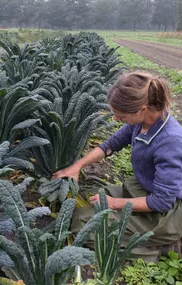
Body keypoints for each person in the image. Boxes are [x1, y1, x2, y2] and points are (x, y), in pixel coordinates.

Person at [52, 71, 182, 261]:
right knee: (88, 199)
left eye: (120, 116)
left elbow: (162, 201)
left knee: (86, 229)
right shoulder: (141, 122)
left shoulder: (170, 140)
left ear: (143, 109)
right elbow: (110, 145)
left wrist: (114, 204)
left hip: (167, 213)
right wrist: (77, 166)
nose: (115, 119)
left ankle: (165, 248)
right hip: (145, 190)